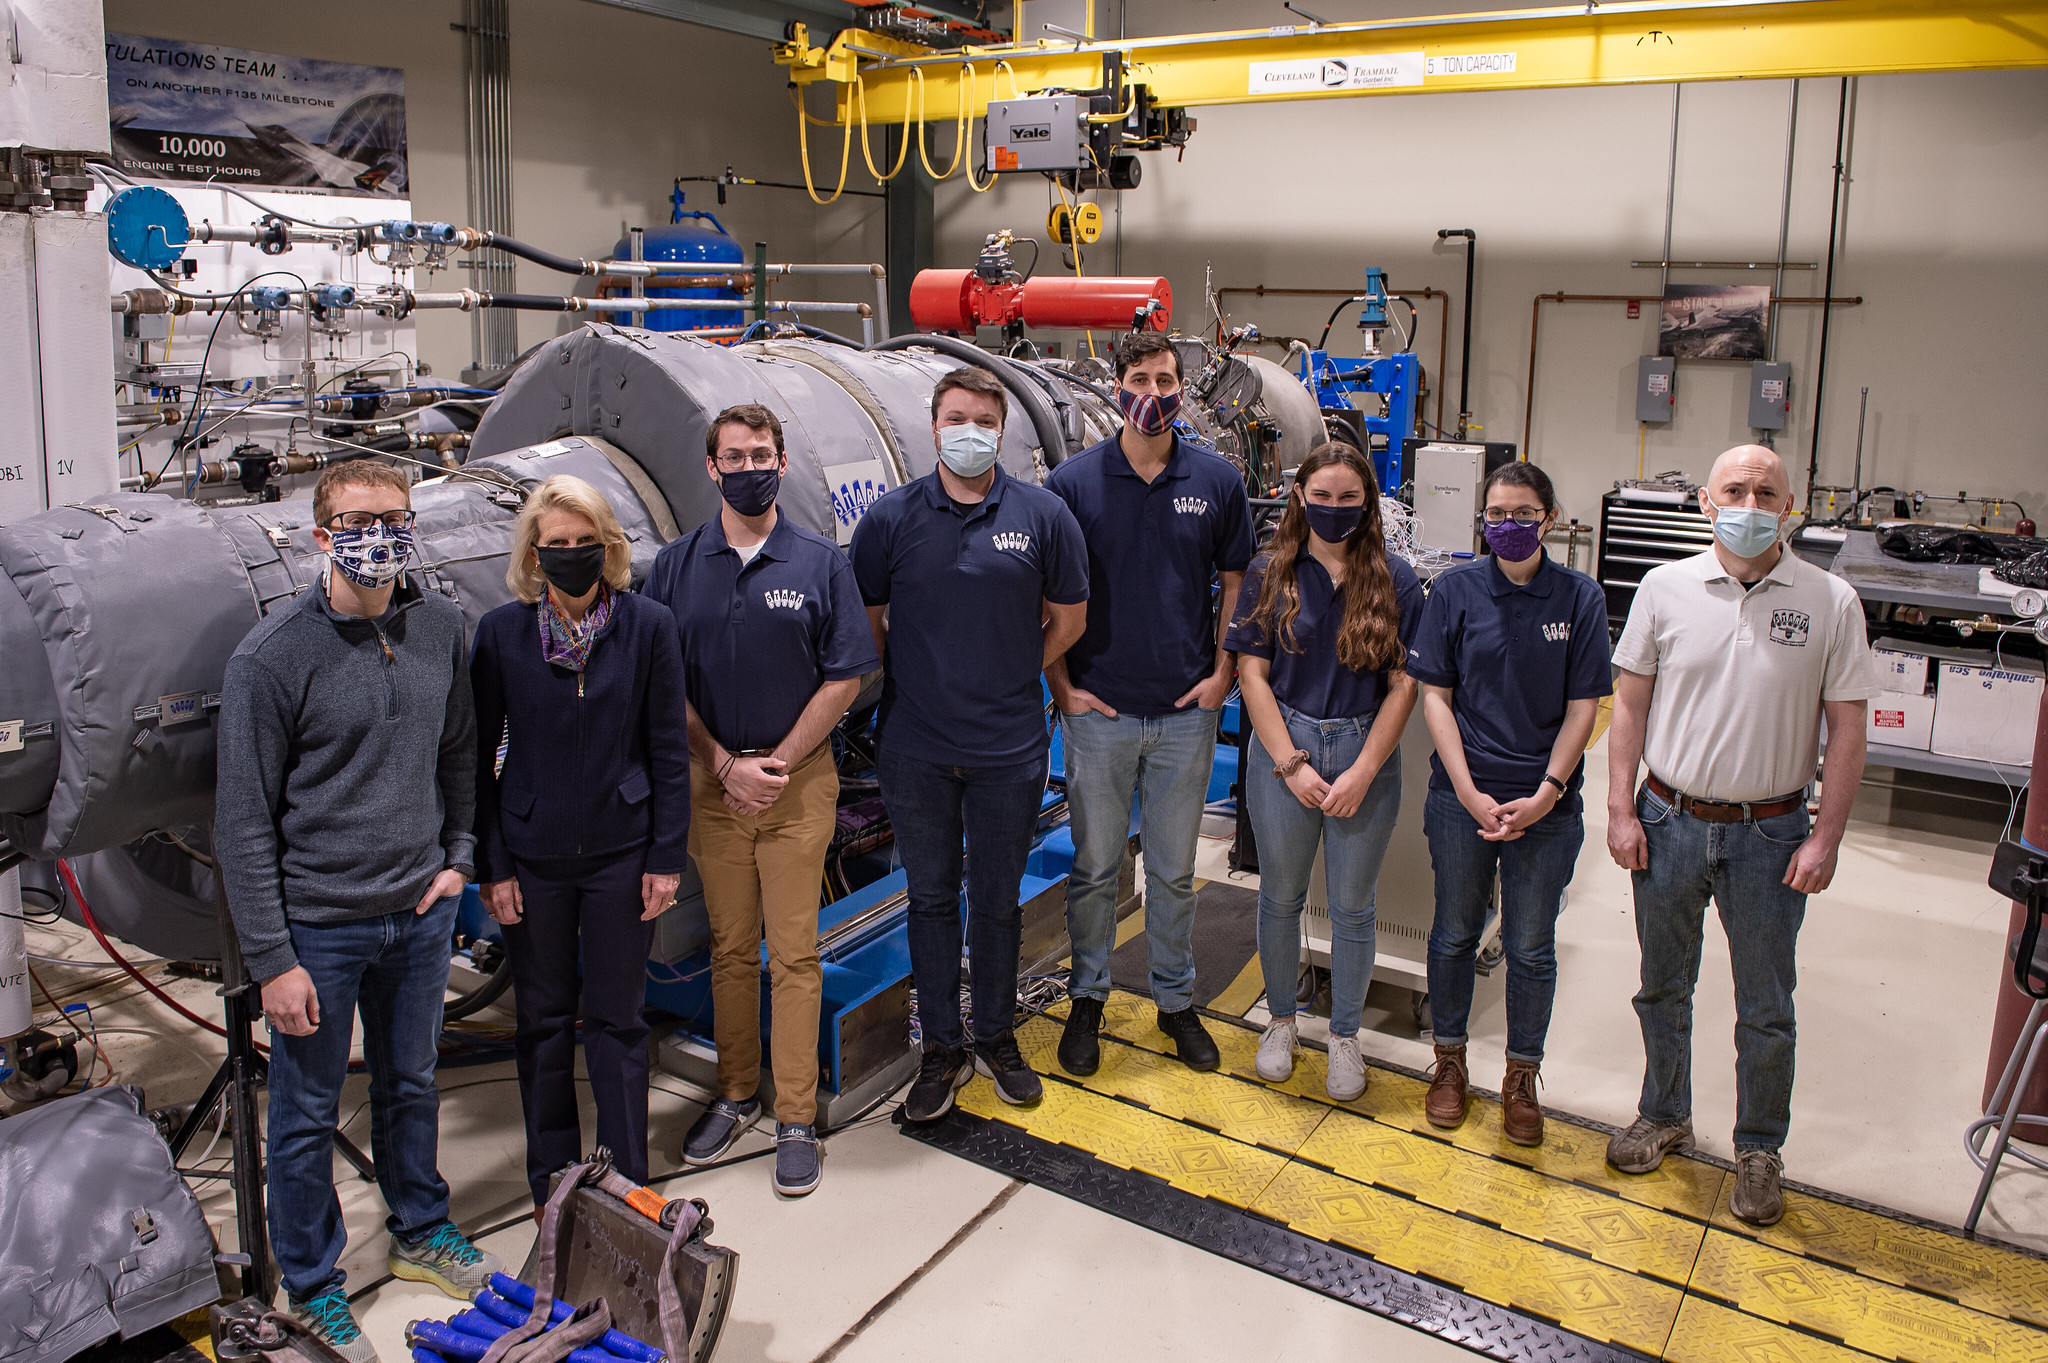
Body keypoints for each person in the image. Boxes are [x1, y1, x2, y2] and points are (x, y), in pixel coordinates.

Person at [216, 461, 499, 1363]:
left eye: (395, 517)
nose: (380, 534)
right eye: (359, 519)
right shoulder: (272, 657)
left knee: (412, 1079)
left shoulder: (441, 628)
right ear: (320, 534)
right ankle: (312, 1285)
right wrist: (273, 957)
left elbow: (462, 756)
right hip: (320, 928)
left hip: (417, 914)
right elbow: (243, 822)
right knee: (303, 1113)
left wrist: (458, 861)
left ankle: (420, 1227)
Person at [1604, 443, 1878, 1226]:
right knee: (1663, 985)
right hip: (1668, 817)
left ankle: (1758, 1147)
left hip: (1772, 831)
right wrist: (1621, 810)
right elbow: (1628, 707)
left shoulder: (1831, 601)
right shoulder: (1665, 588)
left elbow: (1848, 731)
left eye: (1766, 491)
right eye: (1735, 489)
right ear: (1704, 500)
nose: (1750, 504)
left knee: (1766, 1002)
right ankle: (1664, 1112)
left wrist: (1825, 837)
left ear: (1791, 506)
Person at [648, 404, 878, 1197]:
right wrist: (720, 764)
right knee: (730, 947)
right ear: (712, 468)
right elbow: (664, 684)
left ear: (782, 462)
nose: (750, 467)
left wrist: (774, 763)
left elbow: (845, 675)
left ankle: (794, 1114)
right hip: (713, 788)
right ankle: (736, 1090)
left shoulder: (819, 561)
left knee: (794, 952)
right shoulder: (675, 567)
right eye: (735, 456)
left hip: (797, 784)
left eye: (763, 454)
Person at [850, 366, 1089, 1123]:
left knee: (995, 903)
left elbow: (1070, 619)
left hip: (1009, 750)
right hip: (916, 749)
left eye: (985, 419)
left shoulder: (1043, 515)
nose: (971, 431)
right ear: (934, 426)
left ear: (1002, 429)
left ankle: (996, 1036)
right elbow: (870, 626)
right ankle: (942, 1049)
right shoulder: (890, 521)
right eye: (957, 417)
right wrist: (927, 679)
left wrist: (1013, 668)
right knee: (928, 900)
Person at [469, 475, 689, 1209]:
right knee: (541, 1022)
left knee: (618, 1021)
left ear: (609, 545)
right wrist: (492, 865)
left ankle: (629, 1179)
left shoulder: (650, 625)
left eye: (583, 541)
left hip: (623, 854)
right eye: (556, 543)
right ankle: (553, 1180)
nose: (569, 554)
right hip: (531, 859)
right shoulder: (500, 634)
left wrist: (665, 856)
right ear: (535, 552)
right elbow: (480, 759)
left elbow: (666, 750)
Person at [1045, 330, 1255, 1075]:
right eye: (1141, 377)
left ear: (1181, 387)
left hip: (1183, 713)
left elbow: (1234, 582)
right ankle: (1089, 997)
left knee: (1171, 870)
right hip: (1097, 711)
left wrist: (1222, 672)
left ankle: (1175, 1001)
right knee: (1097, 866)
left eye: (1168, 380)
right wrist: (1063, 685)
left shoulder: (1216, 482)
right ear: (1116, 381)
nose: (1155, 393)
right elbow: (1051, 596)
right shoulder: (1072, 484)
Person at [1408, 461, 1612, 1145]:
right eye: (1497, 514)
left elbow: (1586, 705)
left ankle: (1522, 1075)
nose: (1509, 526)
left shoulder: (1579, 599)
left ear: (1549, 518)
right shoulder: (1456, 592)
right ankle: (1449, 1063)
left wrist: (1548, 791)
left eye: (1524, 514)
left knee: (1529, 945)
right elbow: (1433, 694)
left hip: (1546, 805)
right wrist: (1466, 789)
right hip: (1460, 796)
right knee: (1454, 933)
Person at [1226, 443, 1421, 1102]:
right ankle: (1281, 1020)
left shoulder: (1396, 577)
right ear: (1298, 497)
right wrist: (1288, 763)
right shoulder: (1269, 571)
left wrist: (1365, 769)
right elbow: (1250, 672)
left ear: (1367, 503)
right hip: (1288, 744)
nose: (1334, 509)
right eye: (1323, 496)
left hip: (1364, 749)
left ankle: (1344, 1035)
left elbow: (1402, 687)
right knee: (1280, 896)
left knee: (1353, 907)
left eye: (1348, 498)